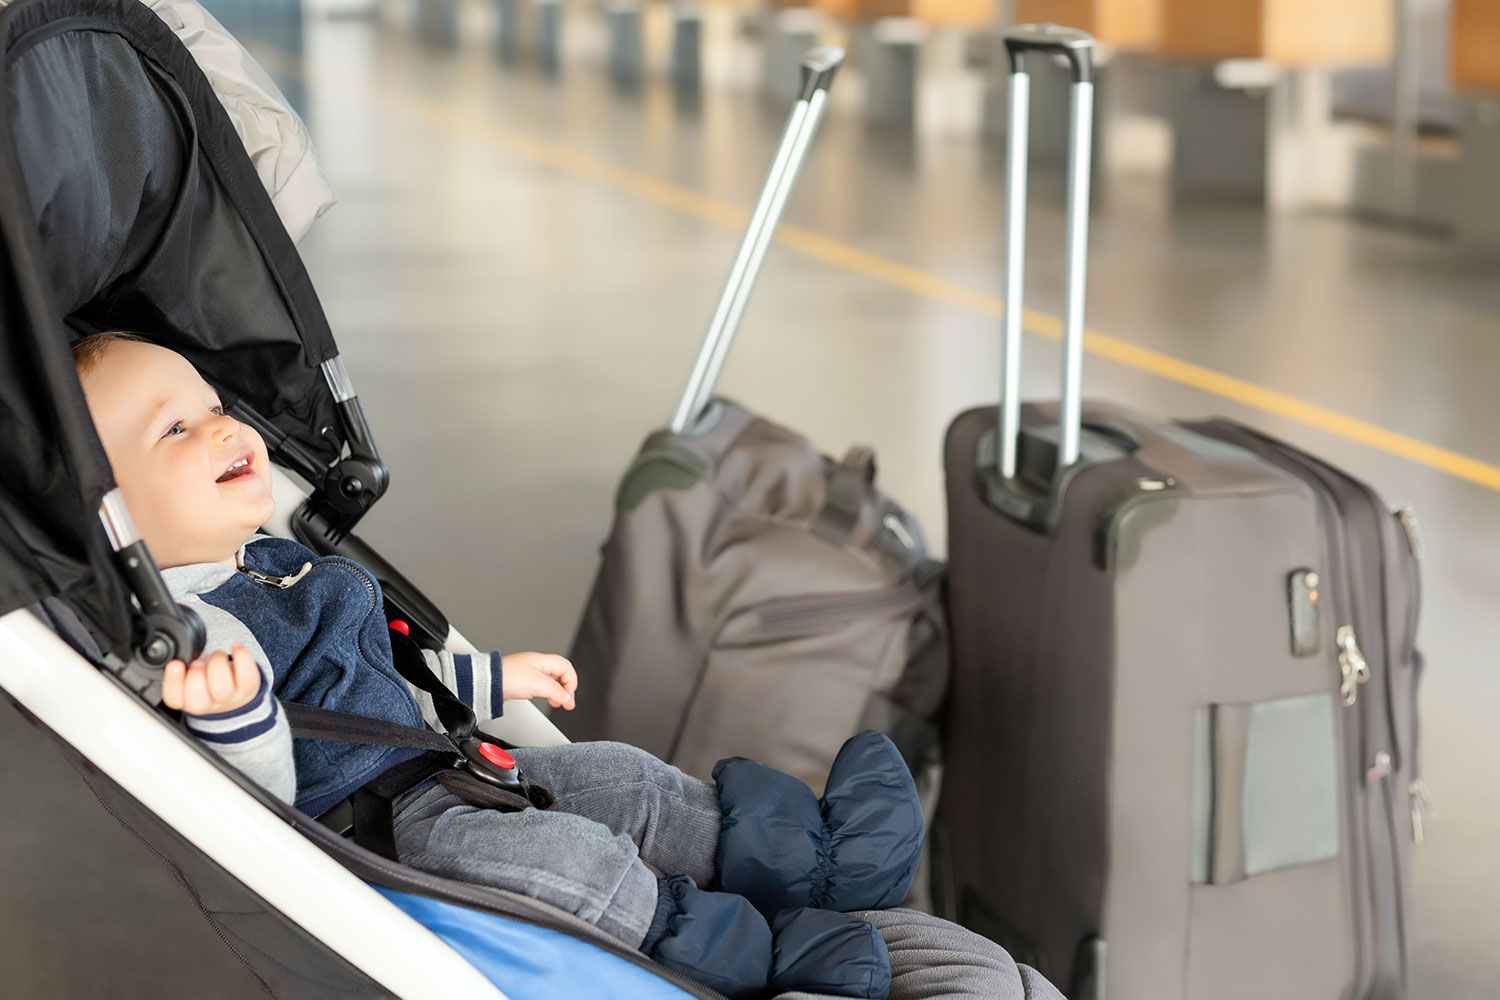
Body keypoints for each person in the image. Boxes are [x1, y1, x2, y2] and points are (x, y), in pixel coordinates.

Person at [75, 331, 923, 1000]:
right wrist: (235, 716)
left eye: (215, 405)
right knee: (568, 869)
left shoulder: (269, 556)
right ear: (114, 518)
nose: (225, 426)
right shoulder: (193, 627)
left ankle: (819, 859)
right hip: (397, 832)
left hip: (447, 761)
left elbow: (388, 671)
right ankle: (757, 961)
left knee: (624, 780)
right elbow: (254, 792)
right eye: (175, 429)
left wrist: (493, 678)